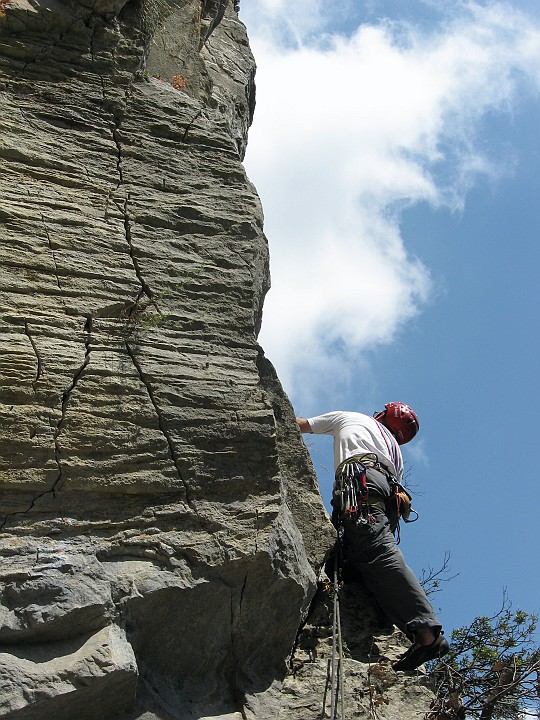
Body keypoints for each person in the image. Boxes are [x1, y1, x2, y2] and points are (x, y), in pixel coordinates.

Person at [296, 403, 449, 671]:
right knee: (360, 558)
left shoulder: (350, 417)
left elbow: (301, 424)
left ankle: (427, 634)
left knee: (377, 551)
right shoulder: (394, 450)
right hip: (387, 493)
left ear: (381, 415)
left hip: (361, 482)